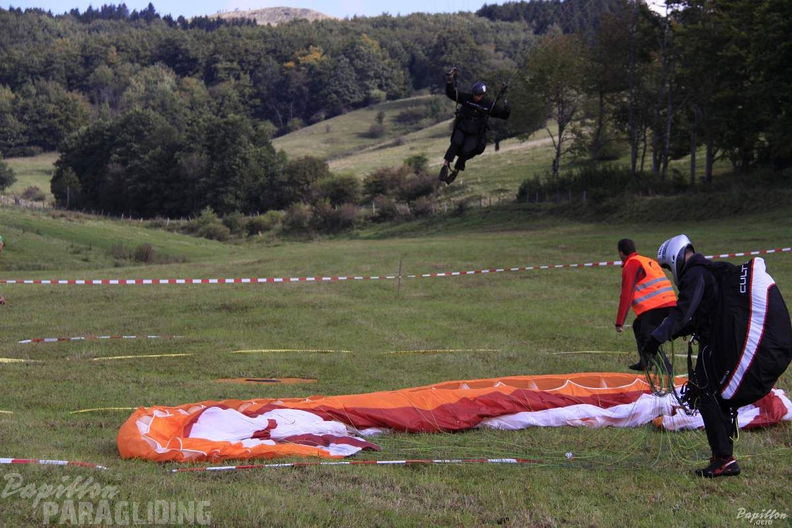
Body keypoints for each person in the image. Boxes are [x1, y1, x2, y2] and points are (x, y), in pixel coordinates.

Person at [644, 235, 738, 478]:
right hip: (723, 342)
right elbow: (697, 316)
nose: (670, 272)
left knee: (708, 397)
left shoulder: (695, 273)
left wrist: (656, 338)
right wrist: (671, 334)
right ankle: (723, 457)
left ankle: (723, 459)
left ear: (674, 257)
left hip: (716, 345)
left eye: (668, 267)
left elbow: (683, 312)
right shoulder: (704, 270)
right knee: (714, 397)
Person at [439, 67, 510, 185]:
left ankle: (455, 171)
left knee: (466, 150)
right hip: (463, 127)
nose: (475, 97)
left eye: (478, 95)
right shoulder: (467, 98)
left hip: (475, 133)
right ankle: (445, 166)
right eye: (474, 94)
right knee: (456, 142)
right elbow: (451, 93)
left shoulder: (488, 105)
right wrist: (450, 81)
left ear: (482, 95)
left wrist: (507, 108)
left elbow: (504, 115)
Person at [614, 239, 677, 371]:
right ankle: (645, 362)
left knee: (649, 338)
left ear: (621, 252)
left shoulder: (632, 264)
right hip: (670, 302)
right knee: (638, 325)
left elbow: (626, 294)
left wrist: (619, 322)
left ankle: (666, 370)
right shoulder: (647, 260)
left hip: (656, 306)